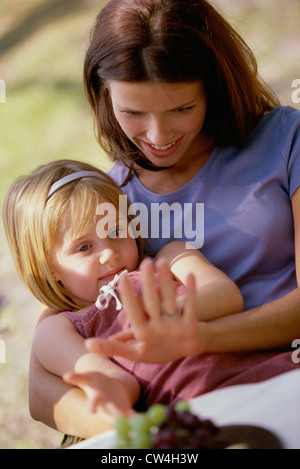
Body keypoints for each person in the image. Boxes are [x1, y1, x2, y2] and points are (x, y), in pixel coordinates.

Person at [28, 0, 300, 439]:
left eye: (180, 109)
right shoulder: (103, 202)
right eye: (133, 112)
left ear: (213, 86)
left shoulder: (285, 139)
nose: (158, 137)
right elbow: (43, 391)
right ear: (104, 94)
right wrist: (165, 434)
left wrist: (202, 339)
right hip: (189, 414)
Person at [3, 158, 243, 438]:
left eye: (116, 231)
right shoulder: (57, 329)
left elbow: (227, 296)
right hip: (190, 418)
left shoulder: (170, 258)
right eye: (84, 247)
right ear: (50, 269)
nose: (109, 253)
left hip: (250, 376)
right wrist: (110, 392)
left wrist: (173, 312)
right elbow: (112, 380)